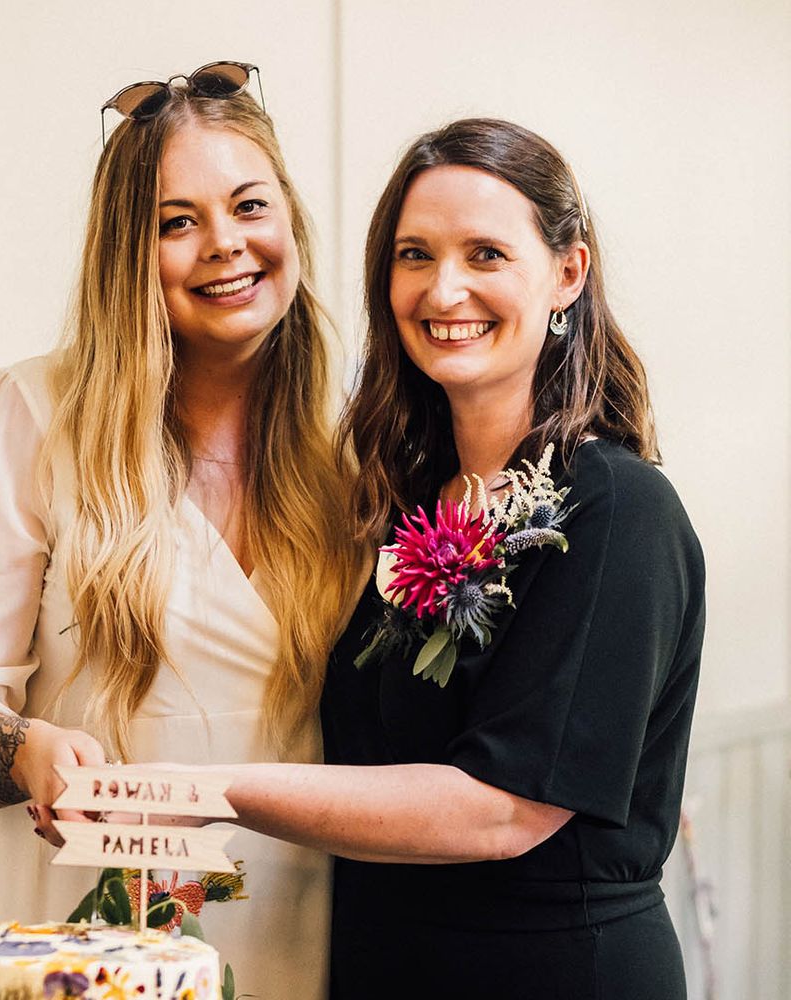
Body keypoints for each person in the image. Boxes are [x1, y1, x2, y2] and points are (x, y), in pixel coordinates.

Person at [192, 119, 705, 998]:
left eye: (486, 255)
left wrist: (196, 792)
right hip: (380, 961)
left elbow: (501, 810)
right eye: (415, 255)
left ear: (567, 273)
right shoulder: (398, 500)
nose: (444, 289)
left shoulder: (617, 506)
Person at [0, 62, 360, 1000]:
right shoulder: (28, 421)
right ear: (126, 255)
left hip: (295, 929)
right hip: (76, 949)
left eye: (249, 206)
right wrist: (20, 750)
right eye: (176, 222)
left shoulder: (351, 444)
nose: (225, 244)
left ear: (290, 223)